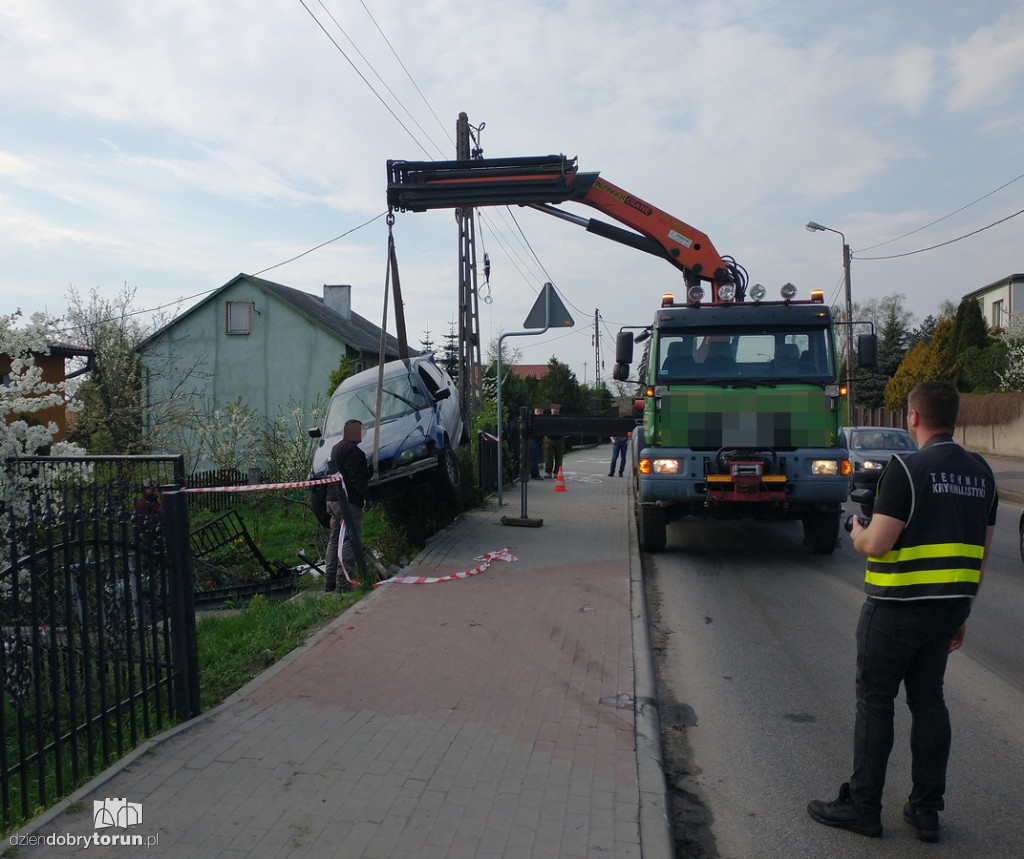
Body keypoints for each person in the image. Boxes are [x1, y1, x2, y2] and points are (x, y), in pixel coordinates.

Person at [807, 381, 997, 842]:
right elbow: (980, 552)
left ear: (912, 417)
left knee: (876, 703)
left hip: (894, 610)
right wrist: (962, 610)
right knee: (929, 702)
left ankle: (863, 807)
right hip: (946, 610)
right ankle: (927, 810)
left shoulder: (908, 470)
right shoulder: (982, 473)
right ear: (955, 417)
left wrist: (855, 529)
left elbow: (877, 544)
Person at [324, 418, 370, 592]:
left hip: (332, 499)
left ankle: (329, 581)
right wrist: (366, 496)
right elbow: (356, 477)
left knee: (335, 539)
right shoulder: (354, 452)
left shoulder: (336, 448)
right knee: (350, 539)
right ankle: (344, 581)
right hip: (347, 501)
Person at [543, 403, 565, 478]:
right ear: (551, 410)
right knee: (548, 456)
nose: (555, 410)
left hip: (559, 439)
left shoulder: (562, 419)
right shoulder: (547, 418)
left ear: (558, 410)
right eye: (554, 408)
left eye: (557, 409)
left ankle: (557, 472)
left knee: (559, 457)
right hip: (549, 439)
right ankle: (548, 472)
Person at [530, 406, 544, 480]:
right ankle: (535, 474)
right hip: (533, 439)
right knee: (534, 457)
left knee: (536, 457)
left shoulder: (541, 420)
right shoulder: (532, 419)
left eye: (541, 411)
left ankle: (534, 473)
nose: (539, 413)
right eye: (538, 410)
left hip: (538, 440)